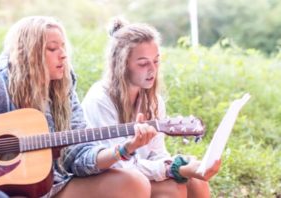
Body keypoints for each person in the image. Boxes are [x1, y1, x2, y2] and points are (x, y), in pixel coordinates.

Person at [0, 16, 158, 198]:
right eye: (52, 48)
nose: (63, 54)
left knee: (133, 183)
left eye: (63, 47)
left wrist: (124, 148)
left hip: (50, 186)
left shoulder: (62, 92)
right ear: (28, 54)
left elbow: (78, 154)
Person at [81, 18, 221, 198]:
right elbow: (117, 165)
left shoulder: (153, 101)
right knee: (173, 190)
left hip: (137, 174)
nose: (152, 70)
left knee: (197, 182)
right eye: (143, 63)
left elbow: (157, 154)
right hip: (105, 179)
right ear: (122, 65)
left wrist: (180, 166)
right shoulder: (100, 99)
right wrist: (173, 168)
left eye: (156, 61)